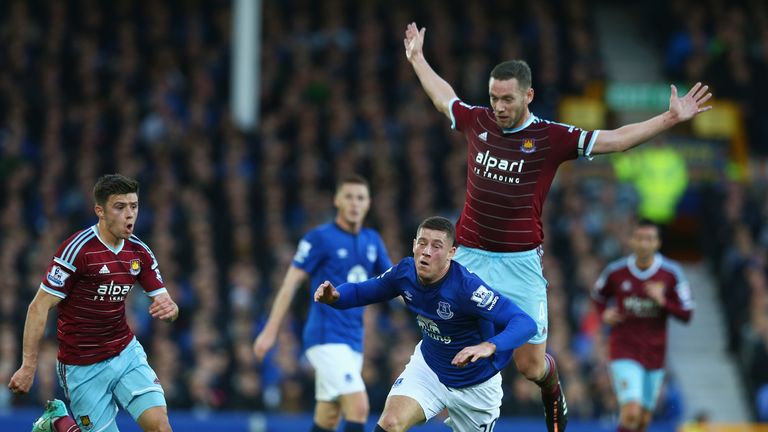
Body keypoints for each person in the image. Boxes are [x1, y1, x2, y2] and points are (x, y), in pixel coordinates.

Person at [403, 21, 712, 432]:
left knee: (530, 366)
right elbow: (446, 100)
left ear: (528, 95)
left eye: (507, 99)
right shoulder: (478, 123)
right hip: (471, 257)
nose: (498, 107)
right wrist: (419, 59)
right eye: (494, 98)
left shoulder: (550, 137)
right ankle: (461, 411)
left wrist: (668, 120)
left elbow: (616, 140)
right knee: (457, 339)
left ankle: (553, 389)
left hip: (520, 264)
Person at [315, 216, 537, 432]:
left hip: (476, 385)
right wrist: (336, 297)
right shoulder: (404, 273)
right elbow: (361, 291)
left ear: (452, 252)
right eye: (422, 243)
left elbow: (525, 323)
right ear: (414, 245)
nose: (427, 251)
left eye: (437, 246)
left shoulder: (467, 289)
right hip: (429, 369)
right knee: (391, 422)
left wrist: (489, 345)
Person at [8, 174, 178, 432]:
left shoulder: (139, 252)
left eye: (134, 206)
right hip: (82, 366)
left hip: (125, 353)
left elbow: (166, 302)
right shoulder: (77, 251)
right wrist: (28, 366)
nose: (129, 214)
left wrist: (171, 309)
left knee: (161, 427)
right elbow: (38, 307)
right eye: (120, 207)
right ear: (100, 210)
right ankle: (57, 423)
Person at [253, 174, 392, 432]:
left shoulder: (373, 240)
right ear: (336, 200)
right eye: (348, 197)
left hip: (353, 341)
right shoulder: (319, 238)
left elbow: (395, 283)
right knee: (359, 406)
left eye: (360, 198)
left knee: (328, 417)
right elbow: (290, 283)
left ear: (368, 203)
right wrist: (270, 331)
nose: (354, 203)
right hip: (325, 337)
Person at [592, 219, 695, 432]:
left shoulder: (671, 272)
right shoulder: (616, 271)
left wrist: (663, 301)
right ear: (632, 240)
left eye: (649, 239)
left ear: (657, 243)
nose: (644, 244)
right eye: (639, 238)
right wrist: (605, 313)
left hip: (655, 353)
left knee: (642, 421)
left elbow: (687, 313)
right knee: (631, 412)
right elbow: (598, 296)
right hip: (624, 349)